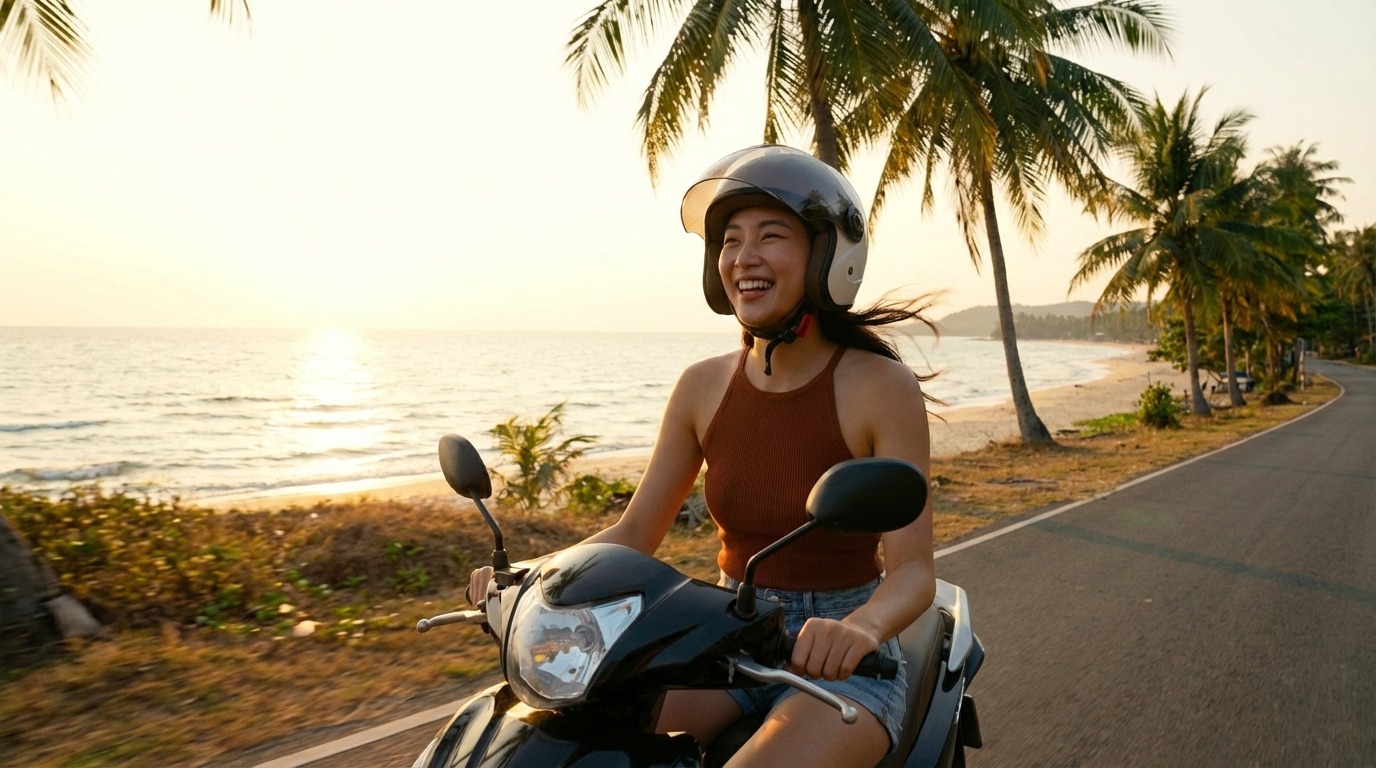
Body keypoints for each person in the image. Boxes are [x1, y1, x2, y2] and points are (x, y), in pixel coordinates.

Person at [470, 144, 938, 767]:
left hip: (845, 659)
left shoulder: (879, 387)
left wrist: (858, 630)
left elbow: (913, 572)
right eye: (730, 241)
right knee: (569, 729)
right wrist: (537, 574)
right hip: (723, 638)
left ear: (826, 256)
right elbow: (635, 531)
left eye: (771, 236)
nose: (744, 257)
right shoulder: (701, 386)